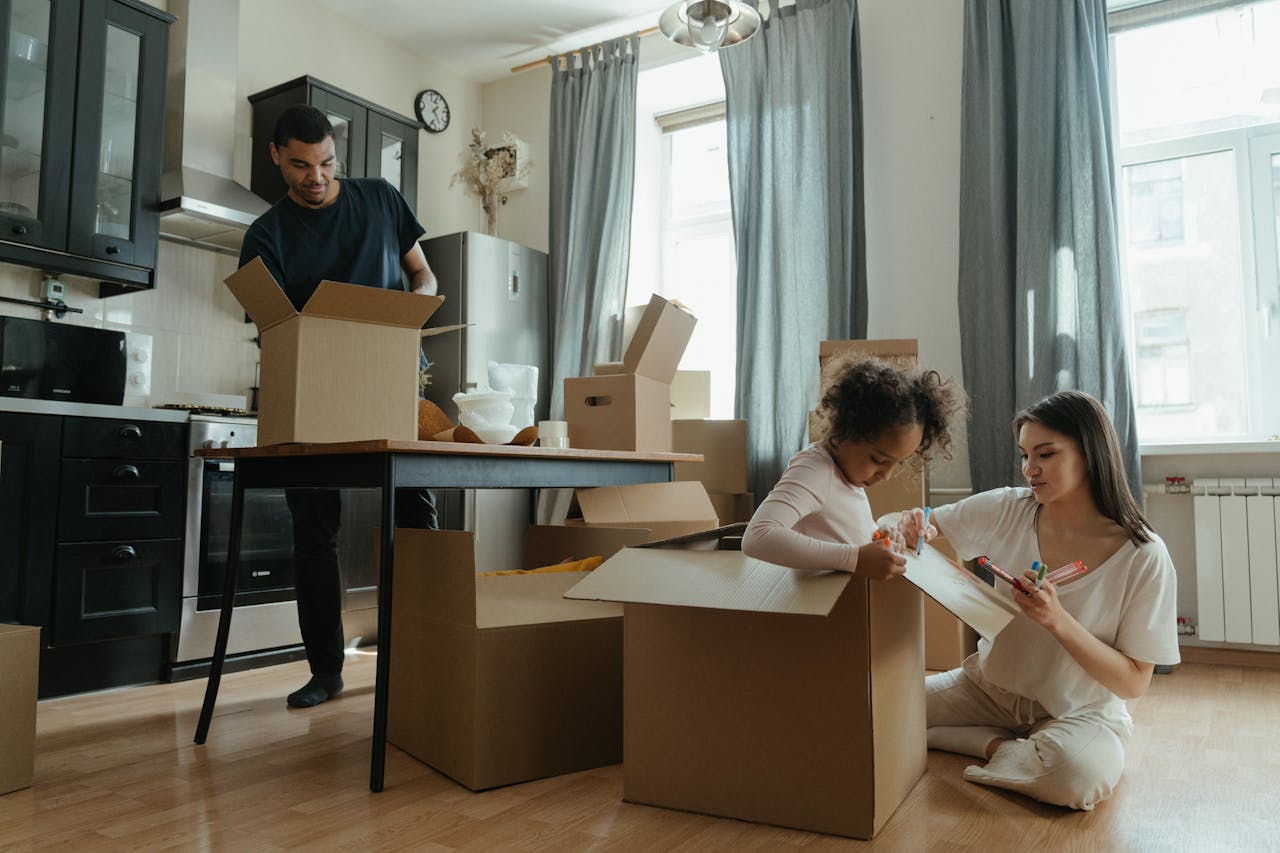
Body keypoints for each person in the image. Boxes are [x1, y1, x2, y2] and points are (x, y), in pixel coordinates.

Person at [239, 104, 438, 709]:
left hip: (388, 376)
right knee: (314, 533)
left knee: (416, 515)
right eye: (300, 165)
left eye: (326, 162)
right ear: (277, 157)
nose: (316, 176)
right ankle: (326, 671)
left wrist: (412, 313)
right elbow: (272, 325)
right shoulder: (264, 236)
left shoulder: (380, 198)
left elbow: (422, 277)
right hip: (311, 391)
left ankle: (427, 651)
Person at [897, 390, 1179, 811]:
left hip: (1078, 711)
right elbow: (914, 528)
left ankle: (975, 743)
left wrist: (1058, 621)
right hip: (987, 688)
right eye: (1025, 455)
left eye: (1045, 454)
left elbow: (1134, 682)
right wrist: (910, 522)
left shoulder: (1144, 556)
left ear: (1089, 453)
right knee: (881, 709)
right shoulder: (1008, 508)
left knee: (1074, 776)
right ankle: (1005, 745)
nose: (1030, 469)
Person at [742, 357, 964, 579]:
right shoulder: (815, 470)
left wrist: (878, 538)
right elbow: (758, 537)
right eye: (878, 460)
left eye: (898, 463)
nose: (886, 475)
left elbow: (839, 535)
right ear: (847, 429)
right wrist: (855, 558)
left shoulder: (846, 476)